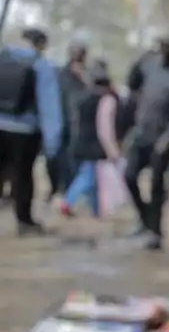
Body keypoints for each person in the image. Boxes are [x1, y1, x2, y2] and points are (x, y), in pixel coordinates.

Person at [124, 32, 169, 250]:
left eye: (168, 47)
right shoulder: (150, 65)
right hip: (142, 132)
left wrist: (167, 138)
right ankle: (145, 218)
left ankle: (155, 231)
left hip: (164, 137)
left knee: (156, 183)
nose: (164, 51)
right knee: (129, 176)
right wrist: (139, 60)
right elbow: (132, 83)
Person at [0, 28, 63, 236]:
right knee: (22, 175)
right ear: (41, 44)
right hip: (25, 131)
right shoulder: (41, 65)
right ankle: (24, 221)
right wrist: (53, 141)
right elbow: (49, 106)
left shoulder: (3, 56)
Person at [60, 63, 122, 218]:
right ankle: (67, 201)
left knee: (94, 180)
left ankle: (96, 210)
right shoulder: (106, 100)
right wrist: (112, 150)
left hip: (80, 142)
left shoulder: (82, 97)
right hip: (95, 145)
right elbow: (105, 128)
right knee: (88, 177)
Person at [49, 36, 90, 201]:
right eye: (74, 52)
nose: (76, 56)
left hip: (79, 125)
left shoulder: (87, 75)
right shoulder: (60, 73)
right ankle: (55, 187)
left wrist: (83, 76)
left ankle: (68, 190)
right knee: (53, 159)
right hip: (59, 121)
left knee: (73, 160)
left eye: (80, 53)